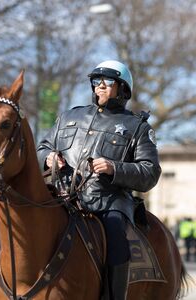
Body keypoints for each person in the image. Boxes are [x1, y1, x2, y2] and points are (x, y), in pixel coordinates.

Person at [37, 60, 161, 300]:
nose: (100, 86)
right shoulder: (68, 116)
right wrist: (48, 157)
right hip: (62, 199)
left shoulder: (137, 128)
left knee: (117, 237)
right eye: (96, 81)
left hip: (108, 204)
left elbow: (150, 172)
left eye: (108, 82)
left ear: (122, 88)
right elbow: (42, 147)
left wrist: (114, 168)